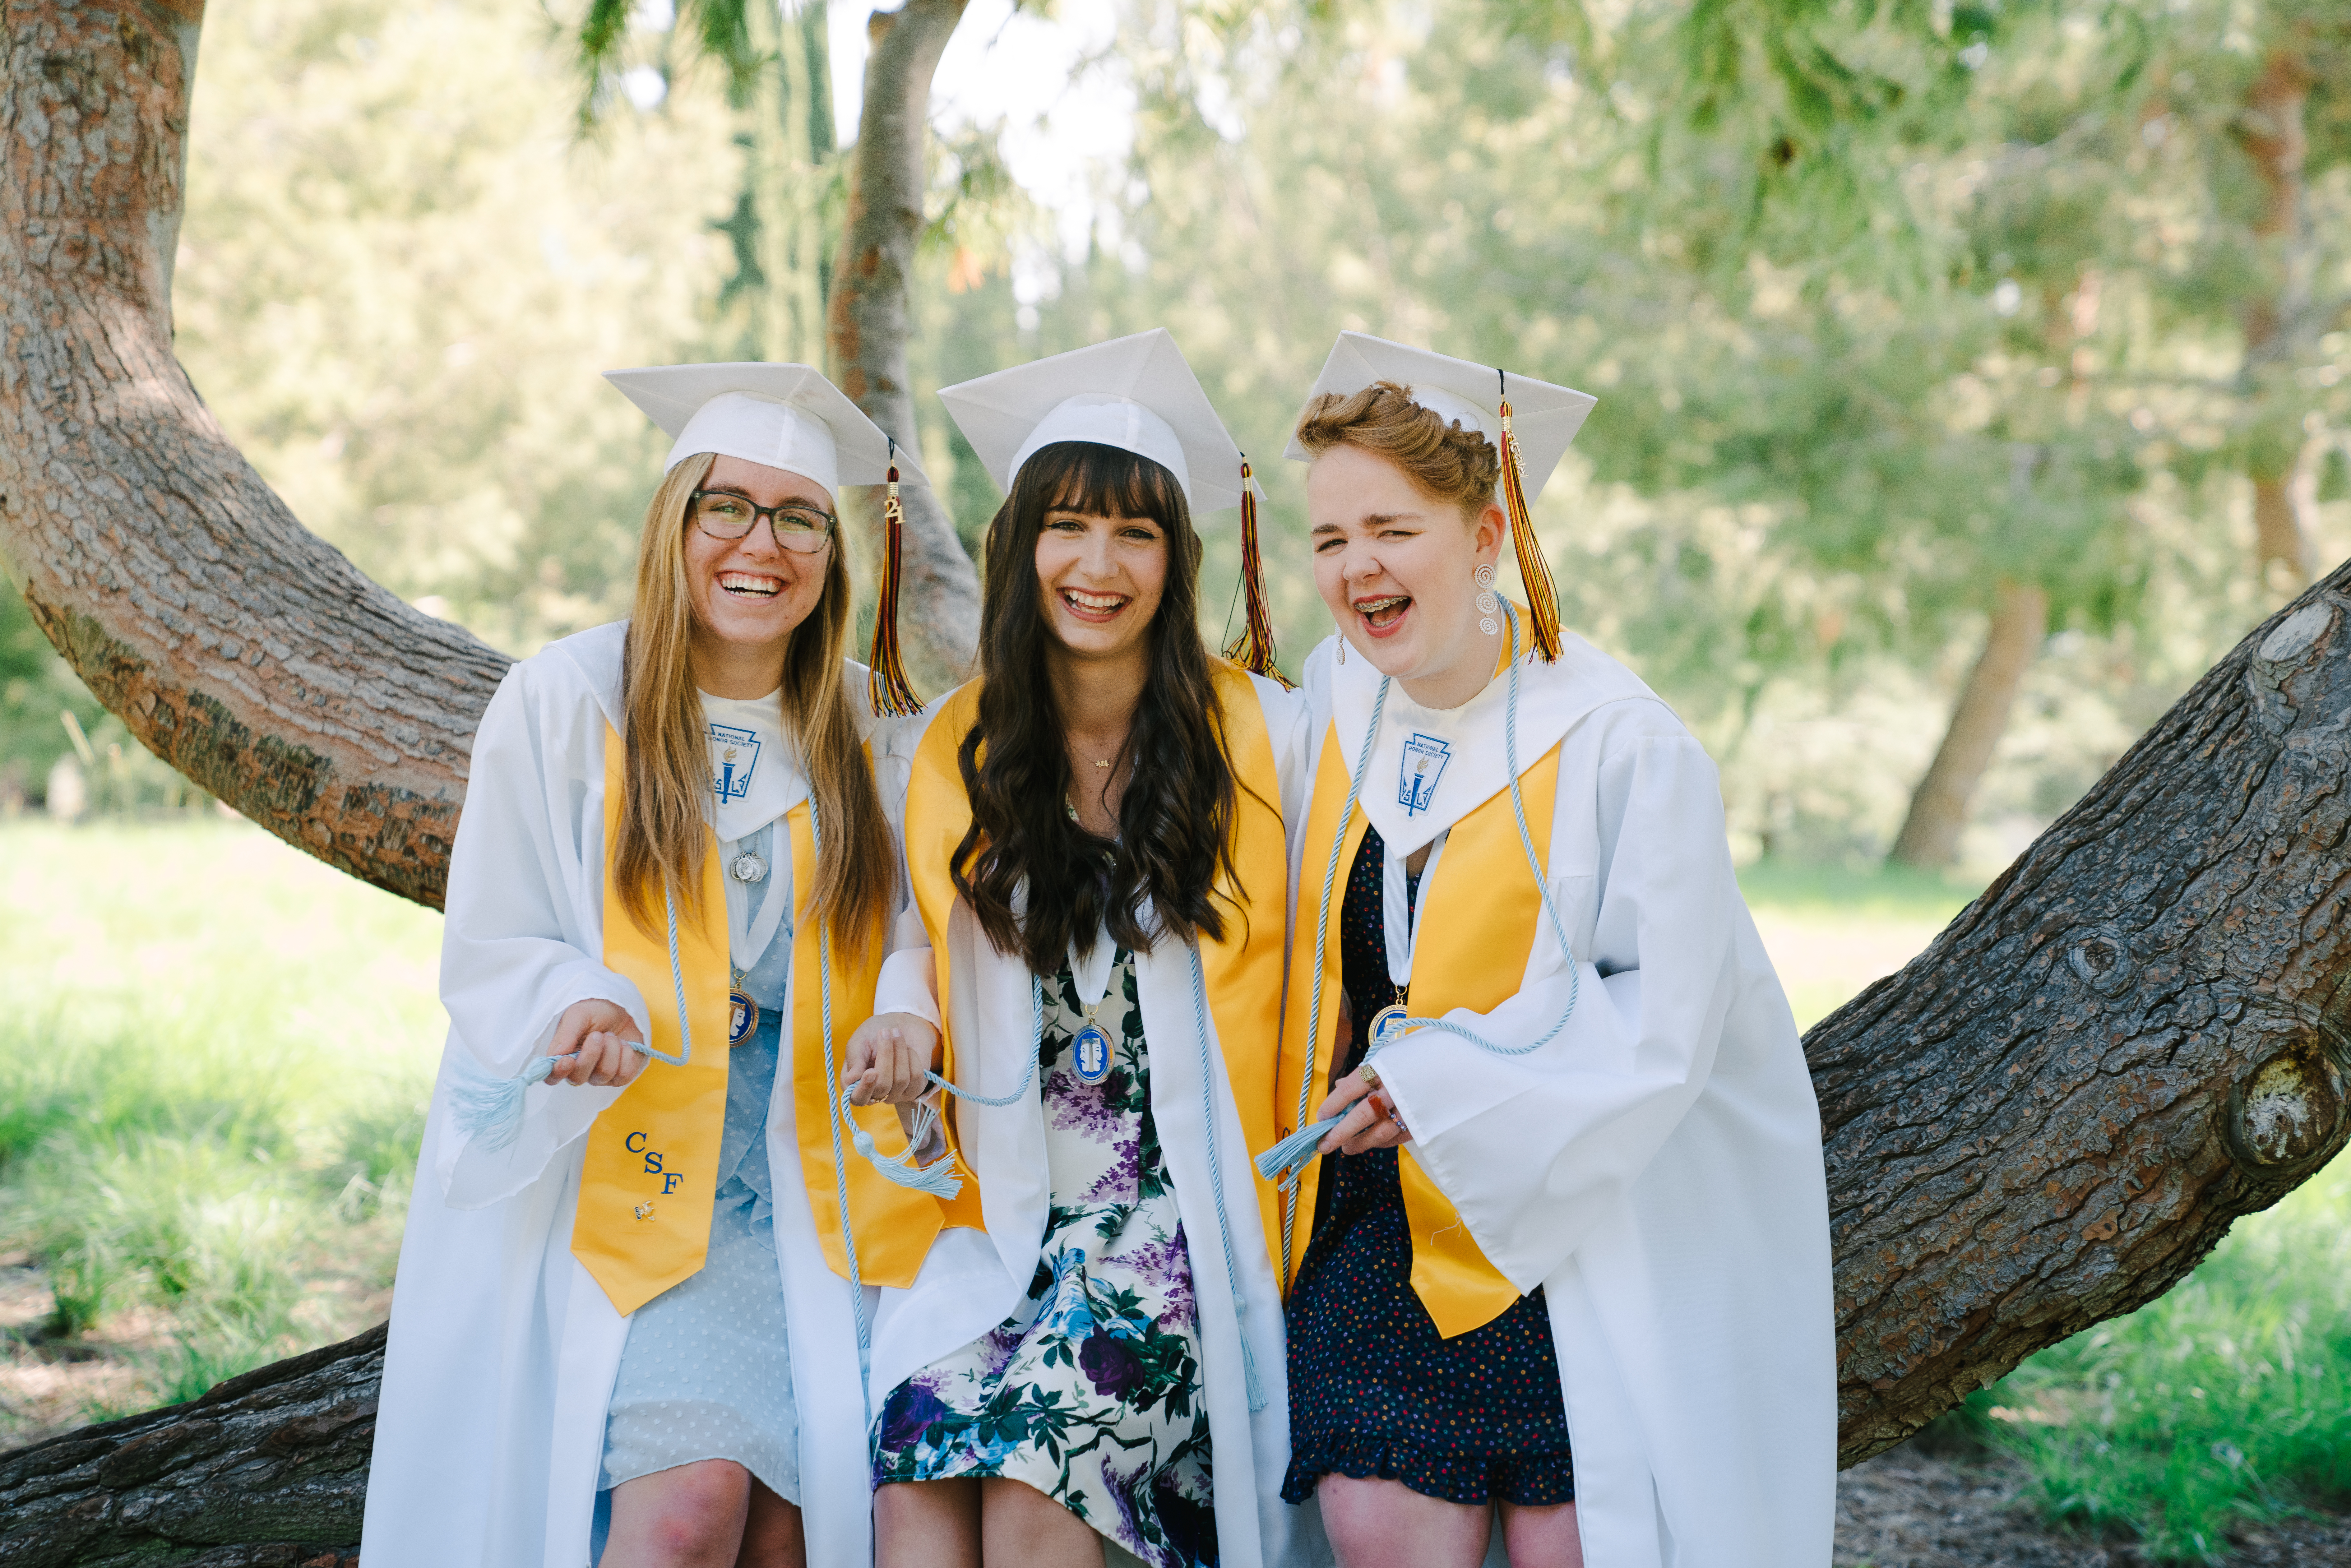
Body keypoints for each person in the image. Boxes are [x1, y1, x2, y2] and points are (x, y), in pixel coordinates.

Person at [361, 363, 951, 1568]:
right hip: (631, 1191)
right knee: (688, 1516)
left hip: (819, 1188)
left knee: (793, 1535)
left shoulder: (868, 731)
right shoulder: (570, 703)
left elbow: (913, 924)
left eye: (799, 517)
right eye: (725, 506)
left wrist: (903, 1008)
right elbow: (495, 930)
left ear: (831, 555)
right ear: (673, 522)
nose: (761, 543)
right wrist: (575, 997)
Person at [1264, 333, 1836, 1568]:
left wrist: (1452, 1089)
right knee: (1381, 1533)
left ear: (1485, 535)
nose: (1357, 566)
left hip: (1581, 1252)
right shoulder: (1334, 699)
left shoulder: (1622, 742)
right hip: (1382, 1242)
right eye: (1328, 538)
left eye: (1393, 527)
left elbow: (1672, 1027)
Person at [842, 330, 1314, 1568]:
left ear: (1176, 558)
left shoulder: (1267, 742)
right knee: (910, 1483)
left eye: (1136, 534)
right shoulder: (958, 742)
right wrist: (906, 1015)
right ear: (1019, 548)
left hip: (1180, 1223)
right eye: (1067, 526)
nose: (1097, 565)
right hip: (1005, 1217)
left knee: (1033, 1499)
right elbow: (911, 920)